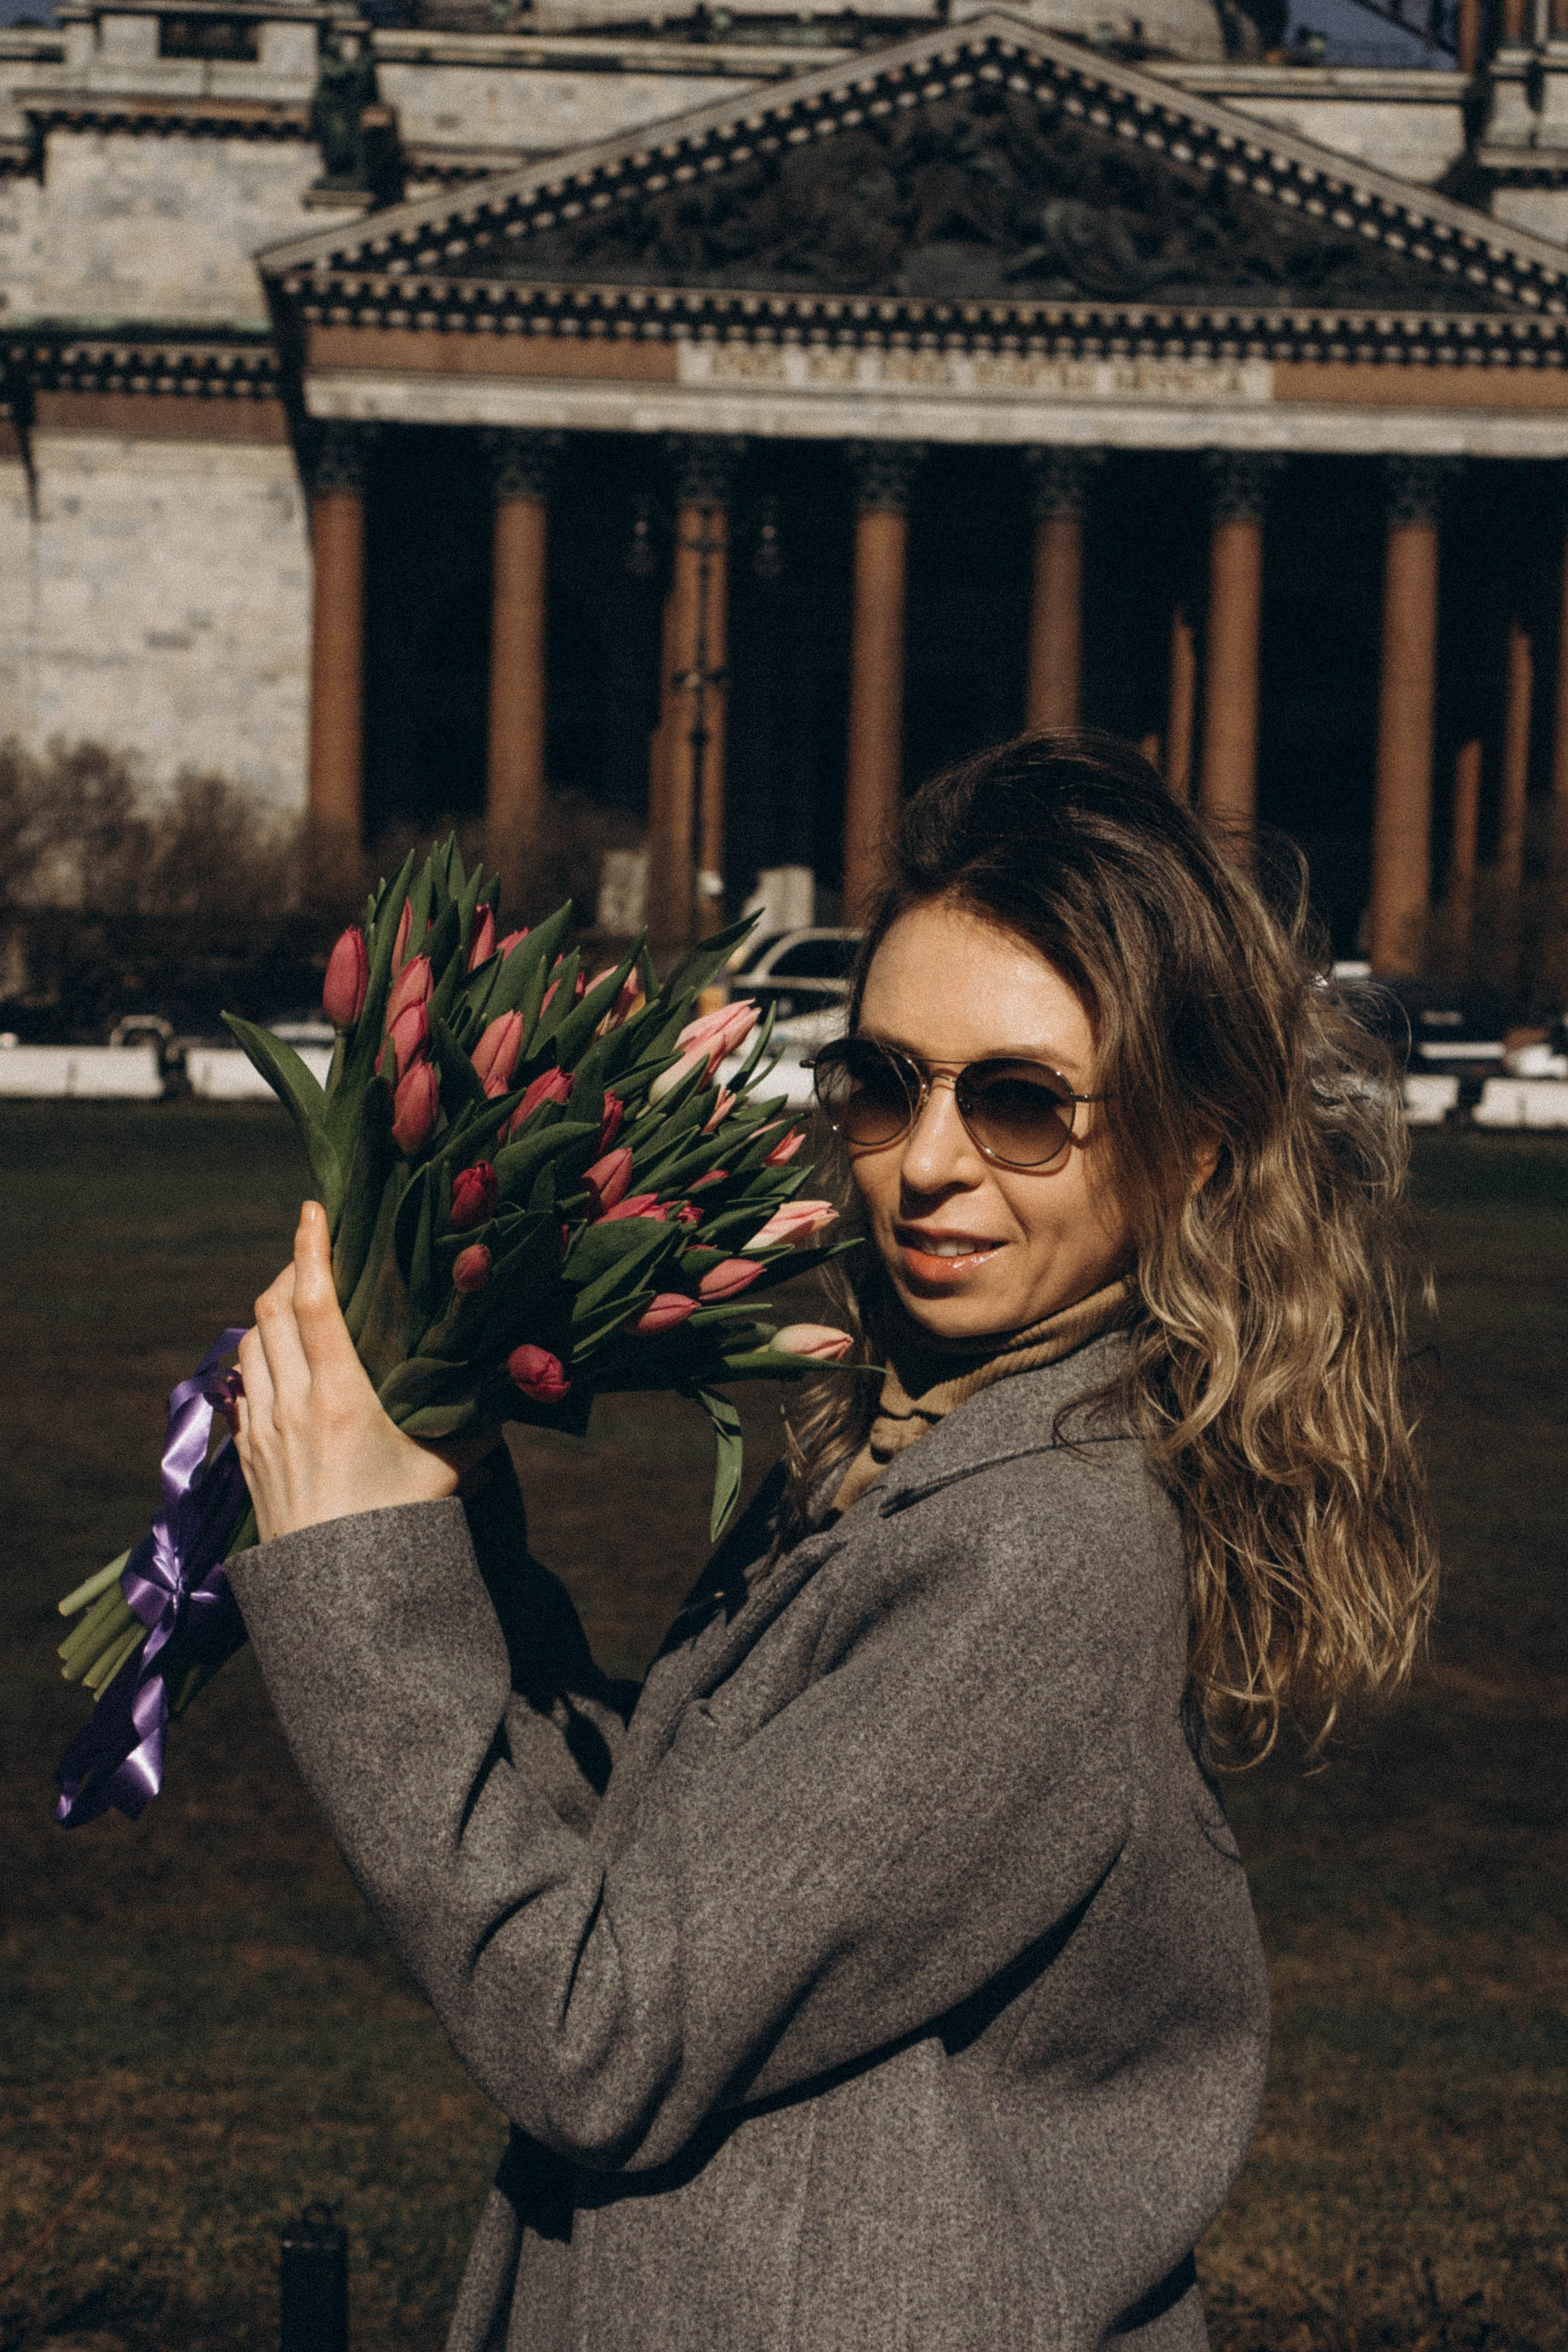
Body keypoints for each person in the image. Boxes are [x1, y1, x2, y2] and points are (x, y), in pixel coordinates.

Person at [229, 732, 1435, 2352]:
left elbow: (598, 2028)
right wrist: (447, 1512)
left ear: (1193, 1140)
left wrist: (358, 1575)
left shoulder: (1039, 1547)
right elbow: (658, 1878)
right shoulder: (929, 1437)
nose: (926, 1167)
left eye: (1023, 1105)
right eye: (884, 1082)